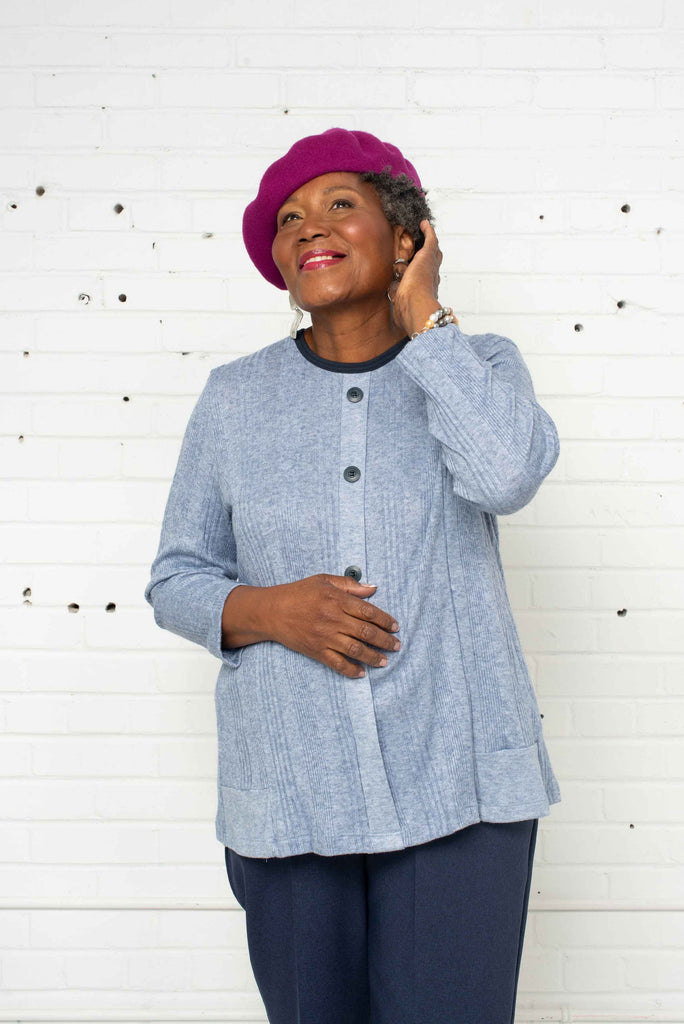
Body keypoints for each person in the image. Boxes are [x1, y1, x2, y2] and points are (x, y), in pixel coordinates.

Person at [144, 127, 562, 1024]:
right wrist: (270, 609)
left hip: (462, 788)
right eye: (288, 219)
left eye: (340, 204)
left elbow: (505, 477)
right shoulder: (233, 398)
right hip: (293, 788)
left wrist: (428, 322)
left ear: (407, 236)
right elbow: (177, 577)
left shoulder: (480, 365)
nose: (309, 226)